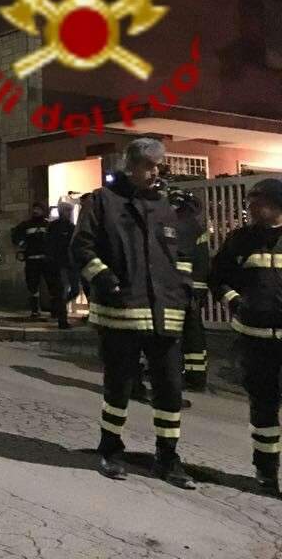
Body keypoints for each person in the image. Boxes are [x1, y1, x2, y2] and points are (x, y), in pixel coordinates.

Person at [71, 138, 194, 488]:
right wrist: (105, 279)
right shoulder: (103, 201)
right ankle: (111, 449)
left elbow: (182, 254)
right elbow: (81, 247)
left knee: (170, 388)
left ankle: (168, 458)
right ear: (131, 166)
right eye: (148, 166)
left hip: (165, 313)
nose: (155, 172)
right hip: (121, 312)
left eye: (158, 166)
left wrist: (182, 289)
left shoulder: (166, 206)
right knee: (119, 387)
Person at [209, 178, 282, 495]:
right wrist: (235, 302)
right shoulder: (239, 240)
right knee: (263, 407)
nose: (251, 207)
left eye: (258, 202)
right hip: (254, 340)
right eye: (250, 202)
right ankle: (266, 473)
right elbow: (217, 278)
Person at [168, 187, 209, 392]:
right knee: (193, 331)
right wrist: (199, 289)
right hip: (192, 288)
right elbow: (202, 260)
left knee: (176, 332)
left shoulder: (172, 223)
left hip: (175, 289)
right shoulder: (196, 226)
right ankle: (196, 375)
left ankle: (179, 372)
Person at [11, 203, 59, 319]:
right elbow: (15, 234)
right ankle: (34, 311)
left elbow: (54, 239)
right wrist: (22, 244)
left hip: (46, 260)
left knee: (52, 285)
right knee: (32, 285)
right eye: (34, 209)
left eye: (38, 209)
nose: (36, 211)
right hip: (31, 260)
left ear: (43, 211)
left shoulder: (48, 224)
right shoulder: (26, 225)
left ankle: (55, 310)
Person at [45, 202, 74, 329]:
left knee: (74, 290)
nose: (70, 213)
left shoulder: (72, 227)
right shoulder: (54, 227)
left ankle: (58, 307)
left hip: (70, 264)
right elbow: (49, 244)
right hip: (59, 264)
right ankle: (62, 319)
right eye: (68, 211)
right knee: (62, 291)